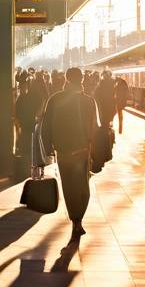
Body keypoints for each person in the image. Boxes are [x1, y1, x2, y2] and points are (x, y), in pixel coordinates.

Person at [39, 67, 100, 241]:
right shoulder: (89, 101)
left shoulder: (54, 99)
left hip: (63, 151)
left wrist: (48, 148)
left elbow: (45, 126)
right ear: (81, 80)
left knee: (68, 188)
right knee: (83, 187)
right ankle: (79, 218)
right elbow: (94, 128)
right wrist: (94, 150)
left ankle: (75, 219)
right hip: (82, 151)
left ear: (66, 79)